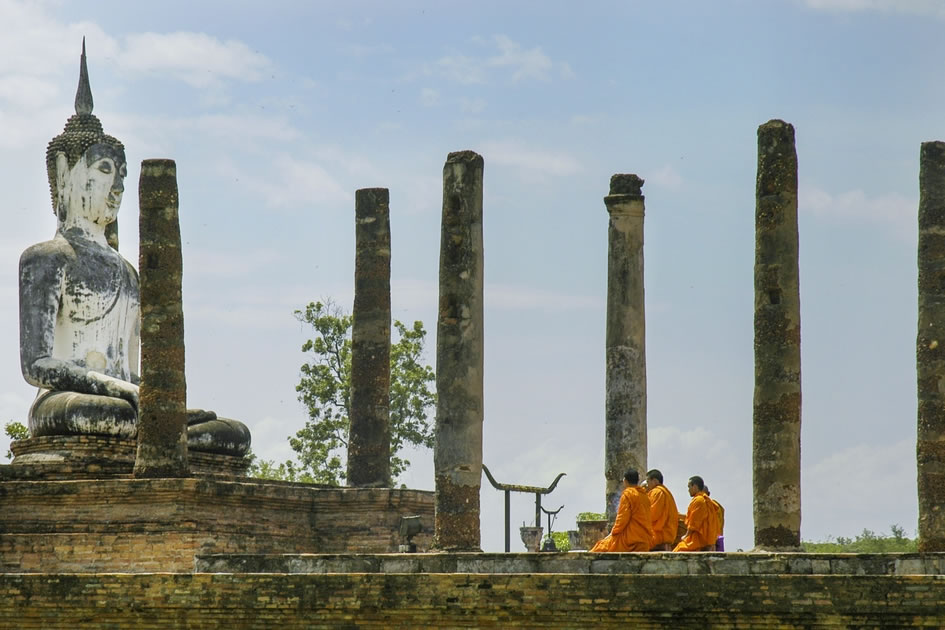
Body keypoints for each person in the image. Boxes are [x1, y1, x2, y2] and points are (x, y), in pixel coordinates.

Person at [18, 42, 249, 456]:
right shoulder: (46, 258)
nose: (118, 187)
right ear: (64, 171)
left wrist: (157, 402)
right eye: (105, 170)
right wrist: (120, 390)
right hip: (68, 404)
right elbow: (36, 365)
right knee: (98, 413)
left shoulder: (128, 272)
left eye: (122, 174)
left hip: (130, 402)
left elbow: (134, 368)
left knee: (230, 433)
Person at [590, 468, 653, 552]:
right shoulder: (645, 496)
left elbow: (622, 519)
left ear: (625, 481)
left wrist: (613, 533)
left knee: (599, 547)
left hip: (631, 541)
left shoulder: (628, 494)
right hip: (645, 541)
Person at [673, 475, 721, 552]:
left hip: (699, 539)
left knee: (678, 550)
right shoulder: (704, 500)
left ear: (694, 486)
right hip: (707, 538)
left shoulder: (699, 500)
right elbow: (692, 517)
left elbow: (694, 523)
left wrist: (686, 535)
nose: (688, 490)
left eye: (689, 487)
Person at [645, 469, 679, 551]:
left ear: (655, 481)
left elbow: (652, 515)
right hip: (668, 533)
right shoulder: (666, 492)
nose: (647, 485)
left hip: (659, 533)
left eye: (648, 481)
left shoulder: (657, 492)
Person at [705, 485, 725, 552]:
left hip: (711, 540)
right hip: (717, 539)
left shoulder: (713, 505)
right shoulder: (717, 506)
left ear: (708, 494)